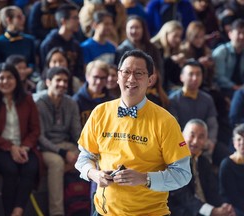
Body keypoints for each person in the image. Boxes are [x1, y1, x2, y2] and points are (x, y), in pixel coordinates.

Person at [75, 50, 192, 215]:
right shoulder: (100, 112)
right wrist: (94, 174)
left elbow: (183, 174)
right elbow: (84, 158)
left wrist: (145, 178)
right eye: (126, 72)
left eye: (139, 73)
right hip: (103, 211)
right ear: (117, 76)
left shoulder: (165, 121)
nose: (131, 79)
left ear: (150, 79)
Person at [0, 63, 41, 216]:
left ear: (16, 80)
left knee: (31, 166)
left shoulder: (27, 99)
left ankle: (17, 211)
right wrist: (10, 147)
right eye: (2, 78)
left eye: (10, 77)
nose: (5, 82)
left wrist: (25, 147)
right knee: (10, 170)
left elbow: (35, 129)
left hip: (24, 145)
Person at [35, 67, 82, 216]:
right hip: (45, 147)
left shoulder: (71, 103)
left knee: (89, 157)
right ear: (48, 82)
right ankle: (57, 213)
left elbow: (77, 133)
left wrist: (84, 151)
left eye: (65, 81)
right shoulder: (37, 102)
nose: (62, 84)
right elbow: (39, 137)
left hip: (66, 144)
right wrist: (64, 153)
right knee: (57, 163)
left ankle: (85, 207)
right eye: (58, 80)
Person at [169, 119, 236, 216]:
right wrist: (212, 211)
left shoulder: (203, 161)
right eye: (192, 135)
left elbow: (213, 190)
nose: (195, 141)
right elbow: (184, 197)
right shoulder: (173, 161)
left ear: (206, 140)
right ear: (182, 135)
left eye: (201, 137)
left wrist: (223, 207)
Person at [40, 4, 85, 82]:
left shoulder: (75, 44)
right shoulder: (49, 44)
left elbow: (79, 70)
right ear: (63, 21)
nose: (78, 22)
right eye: (75, 18)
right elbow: (45, 70)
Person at [72, 60, 113, 127]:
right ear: (87, 77)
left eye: (103, 78)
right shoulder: (77, 101)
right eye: (95, 77)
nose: (98, 82)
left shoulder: (111, 101)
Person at [212, 18, 244, 98]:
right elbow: (219, 77)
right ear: (230, 34)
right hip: (224, 89)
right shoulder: (221, 52)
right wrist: (236, 87)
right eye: (239, 33)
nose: (242, 36)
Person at [151, 20, 185, 92]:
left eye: (179, 36)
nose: (178, 40)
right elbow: (155, 68)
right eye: (175, 36)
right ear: (166, 34)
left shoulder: (173, 49)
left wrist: (180, 65)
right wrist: (171, 60)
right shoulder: (154, 47)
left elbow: (174, 77)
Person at [219, 124, 244, 216]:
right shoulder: (227, 164)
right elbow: (228, 194)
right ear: (233, 142)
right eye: (239, 139)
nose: (242, 143)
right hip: (234, 208)